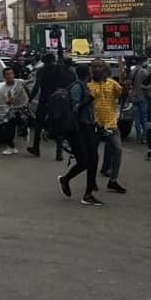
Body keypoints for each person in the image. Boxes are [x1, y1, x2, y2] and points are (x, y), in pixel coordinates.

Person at [58, 63, 101, 205]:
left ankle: (88, 193)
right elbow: (76, 108)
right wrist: (89, 99)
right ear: (87, 73)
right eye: (90, 71)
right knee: (85, 161)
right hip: (78, 130)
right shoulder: (77, 87)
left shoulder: (84, 86)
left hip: (87, 127)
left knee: (93, 159)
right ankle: (65, 179)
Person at [88, 59, 126, 194]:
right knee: (92, 155)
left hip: (111, 124)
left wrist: (126, 85)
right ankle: (91, 182)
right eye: (95, 67)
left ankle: (113, 181)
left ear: (104, 69)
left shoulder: (112, 84)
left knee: (118, 150)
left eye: (100, 66)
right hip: (95, 125)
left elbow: (122, 94)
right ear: (91, 69)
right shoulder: (88, 85)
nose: (97, 69)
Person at [27, 52, 65, 158]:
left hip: (44, 99)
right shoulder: (59, 69)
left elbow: (36, 86)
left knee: (39, 124)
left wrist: (29, 99)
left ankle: (36, 148)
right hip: (57, 99)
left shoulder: (41, 71)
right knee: (58, 125)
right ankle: (59, 152)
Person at [0, 66, 28, 155]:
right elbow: (7, 101)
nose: (10, 76)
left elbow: (29, 87)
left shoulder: (20, 82)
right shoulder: (4, 89)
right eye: (7, 74)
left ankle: (25, 131)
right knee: (7, 128)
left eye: (11, 74)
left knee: (23, 125)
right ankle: (11, 147)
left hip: (24, 108)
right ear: (4, 76)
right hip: (12, 110)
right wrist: (10, 98)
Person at [128, 56, 150, 144]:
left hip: (134, 97)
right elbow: (148, 85)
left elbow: (130, 84)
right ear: (142, 61)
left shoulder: (132, 71)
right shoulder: (144, 72)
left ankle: (138, 137)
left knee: (136, 118)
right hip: (143, 97)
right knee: (144, 118)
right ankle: (144, 137)